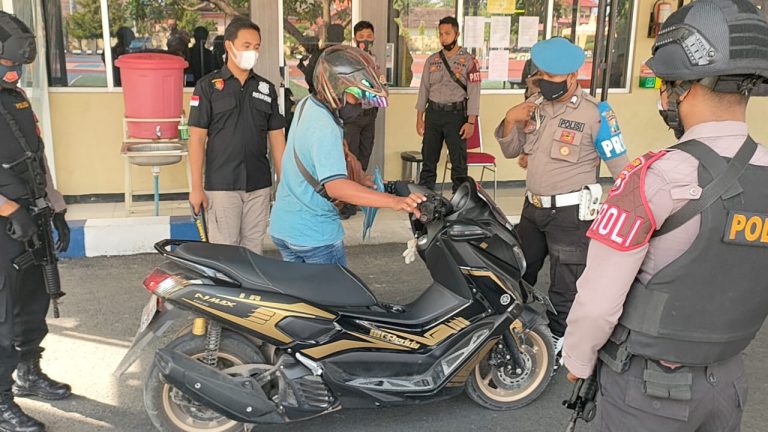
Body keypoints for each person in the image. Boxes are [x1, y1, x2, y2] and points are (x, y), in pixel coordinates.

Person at [563, 1, 768, 430]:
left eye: (664, 83)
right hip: (726, 385)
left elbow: (598, 304)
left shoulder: (653, 178)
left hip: (648, 394)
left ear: (682, 87)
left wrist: (578, 360)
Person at [494, 37, 630, 367]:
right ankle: (517, 328)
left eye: (552, 78)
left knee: (565, 284)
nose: (545, 82)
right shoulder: (535, 105)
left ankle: (558, 341)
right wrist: (510, 120)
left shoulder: (595, 113)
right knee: (519, 271)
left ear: (572, 77)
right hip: (532, 209)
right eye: (541, 75)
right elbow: (512, 151)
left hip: (570, 214)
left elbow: (621, 167)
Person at [269, 45, 425, 266]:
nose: (361, 105)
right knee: (337, 299)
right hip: (314, 235)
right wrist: (394, 201)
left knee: (306, 299)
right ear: (335, 87)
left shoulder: (307, 105)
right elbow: (336, 187)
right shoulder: (326, 126)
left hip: (285, 227)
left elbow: (316, 160)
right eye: (356, 96)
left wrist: (360, 179)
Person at [0, 12, 72, 432]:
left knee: (33, 305)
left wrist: (55, 207)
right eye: (9, 65)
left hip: (32, 217)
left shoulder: (17, 99)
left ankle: (28, 373)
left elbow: (36, 157)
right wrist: (11, 212)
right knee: (5, 315)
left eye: (19, 66)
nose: (15, 73)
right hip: (7, 224)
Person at [187, 18, 286, 254]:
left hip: (259, 184)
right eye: (246, 45)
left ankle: (251, 291)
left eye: (257, 46)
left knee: (253, 251)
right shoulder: (208, 86)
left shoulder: (266, 89)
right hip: (222, 186)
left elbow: (277, 139)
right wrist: (196, 188)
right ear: (229, 46)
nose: (253, 51)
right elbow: (197, 139)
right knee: (225, 254)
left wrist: (285, 184)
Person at [415, 16, 481, 192]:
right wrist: (419, 117)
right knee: (428, 160)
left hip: (456, 116)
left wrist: (471, 122)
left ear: (457, 34)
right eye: (441, 34)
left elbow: (474, 93)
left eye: (447, 33)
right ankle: (426, 201)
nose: (443, 37)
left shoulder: (469, 61)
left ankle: (459, 203)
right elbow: (424, 89)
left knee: (458, 163)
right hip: (434, 114)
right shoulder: (432, 60)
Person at [338, 20, 380, 220]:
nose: (365, 41)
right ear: (355, 38)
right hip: (352, 114)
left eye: (369, 37)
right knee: (350, 159)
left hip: (369, 113)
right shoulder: (348, 58)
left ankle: (358, 198)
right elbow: (341, 83)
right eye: (361, 37)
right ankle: (345, 203)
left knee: (364, 156)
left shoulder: (374, 59)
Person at [303, 23, 345, 95]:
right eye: (335, 35)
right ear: (343, 38)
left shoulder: (347, 56)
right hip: (323, 96)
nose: (336, 39)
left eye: (337, 36)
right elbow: (310, 77)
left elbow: (309, 77)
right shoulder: (319, 56)